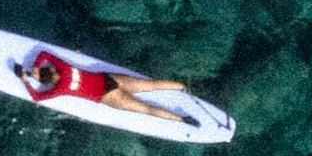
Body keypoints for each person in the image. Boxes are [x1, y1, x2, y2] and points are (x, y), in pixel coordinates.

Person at [17, 43, 194, 124]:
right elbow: (44, 53)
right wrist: (36, 67)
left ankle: (182, 119)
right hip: (110, 79)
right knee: (152, 84)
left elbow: (37, 96)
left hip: (107, 96)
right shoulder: (64, 67)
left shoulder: (60, 88)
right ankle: (182, 86)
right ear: (54, 71)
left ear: (50, 82)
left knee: (148, 109)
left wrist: (26, 81)